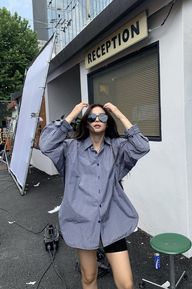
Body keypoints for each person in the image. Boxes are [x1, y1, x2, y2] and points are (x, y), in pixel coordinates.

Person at [39, 102, 150, 289]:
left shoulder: (117, 147)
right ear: (86, 122)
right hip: (81, 220)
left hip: (112, 217)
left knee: (127, 284)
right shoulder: (70, 148)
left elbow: (142, 147)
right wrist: (74, 112)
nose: (97, 120)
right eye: (92, 117)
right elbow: (46, 144)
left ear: (108, 122)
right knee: (89, 277)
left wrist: (118, 112)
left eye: (103, 117)